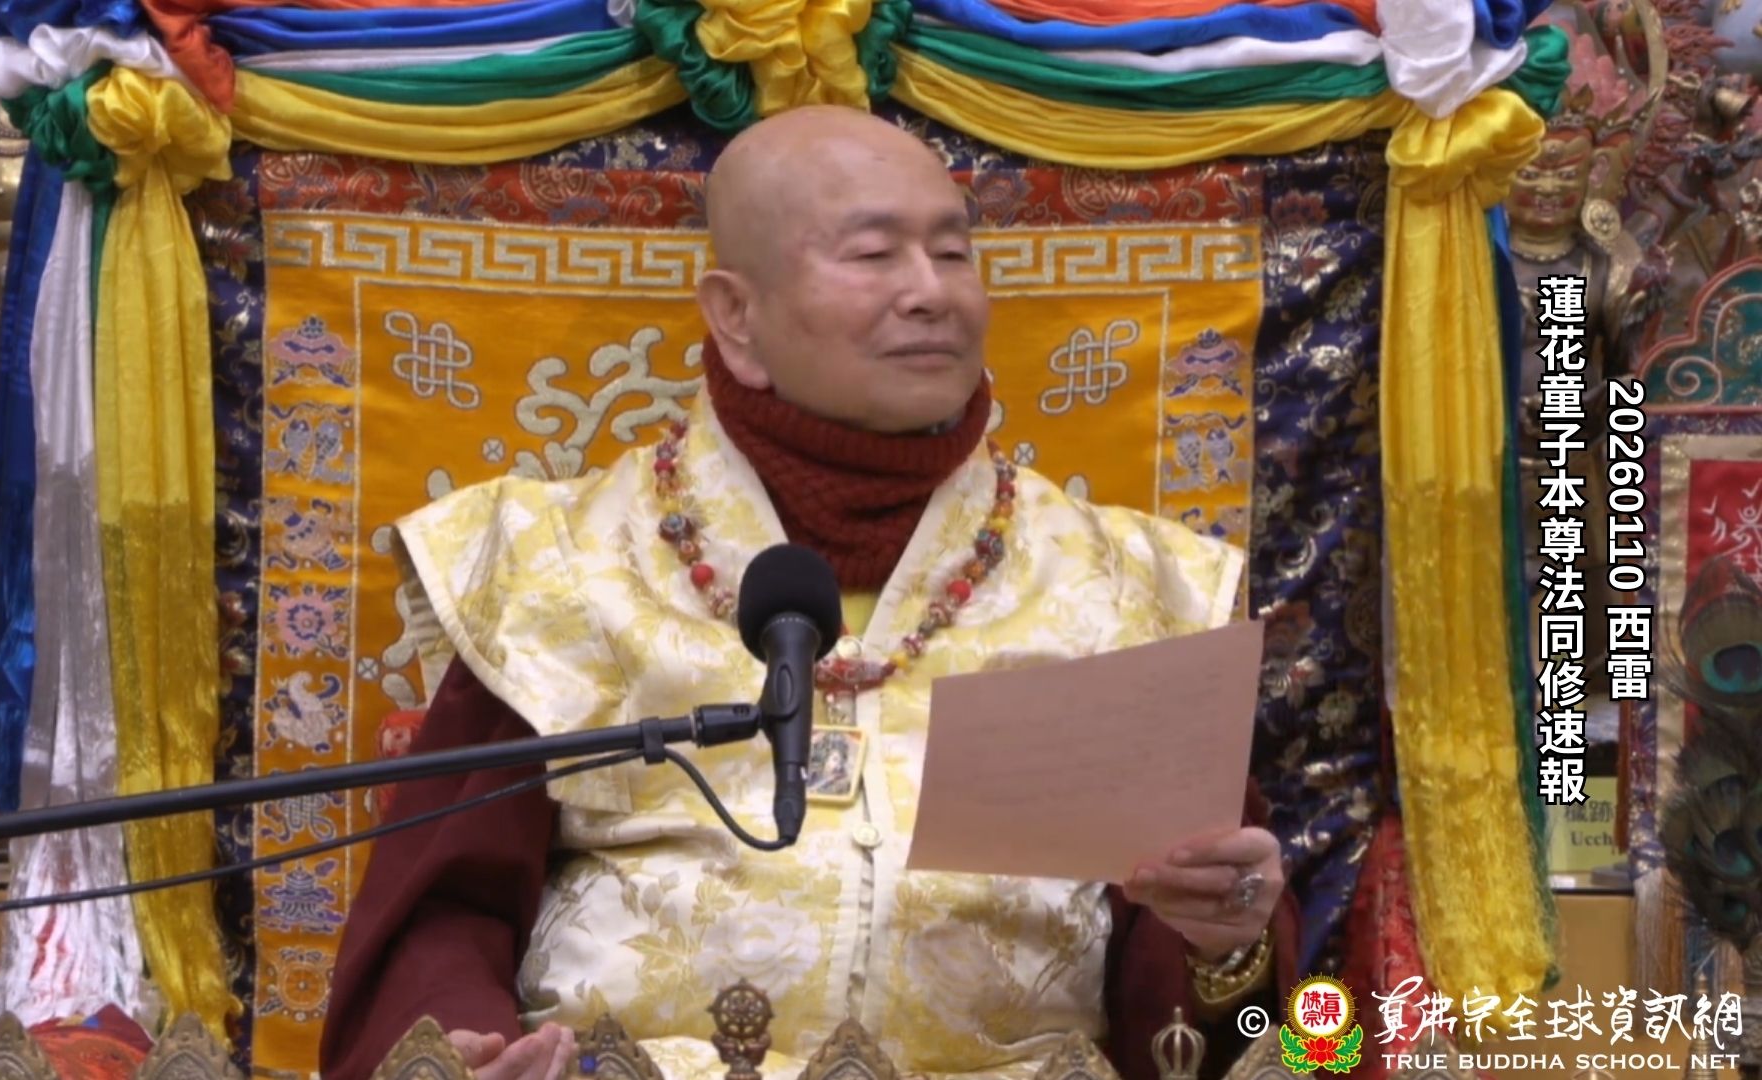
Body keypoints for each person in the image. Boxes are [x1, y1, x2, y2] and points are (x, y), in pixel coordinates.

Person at [321, 104, 1296, 1080]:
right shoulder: (556, 563)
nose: (931, 294)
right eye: (873, 255)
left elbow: (1199, 983)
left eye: (953, 254)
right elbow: (443, 914)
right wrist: (469, 1052)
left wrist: (1226, 946)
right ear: (735, 316)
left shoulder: (1128, 587)